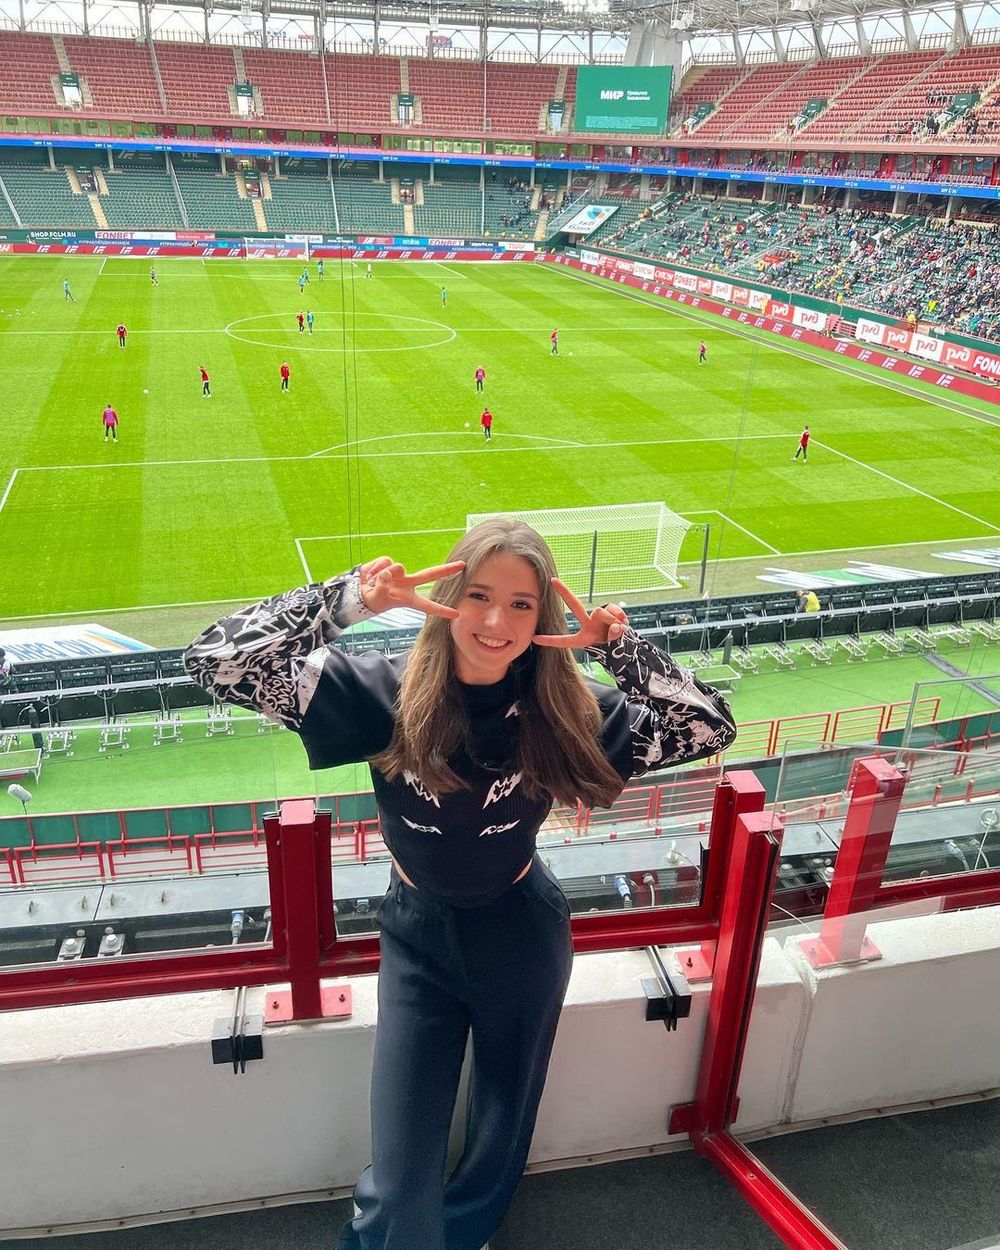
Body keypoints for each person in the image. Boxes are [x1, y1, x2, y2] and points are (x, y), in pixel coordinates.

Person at [183, 521, 736, 1250]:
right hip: (417, 935)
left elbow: (710, 727)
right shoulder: (385, 693)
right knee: (403, 1162)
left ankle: (464, 1235)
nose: (496, 621)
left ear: (542, 618)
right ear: (447, 598)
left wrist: (617, 647)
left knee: (504, 1125)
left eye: (521, 604)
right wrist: (350, 600)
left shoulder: (566, 710)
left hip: (522, 928)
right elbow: (215, 660)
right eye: (478, 595)